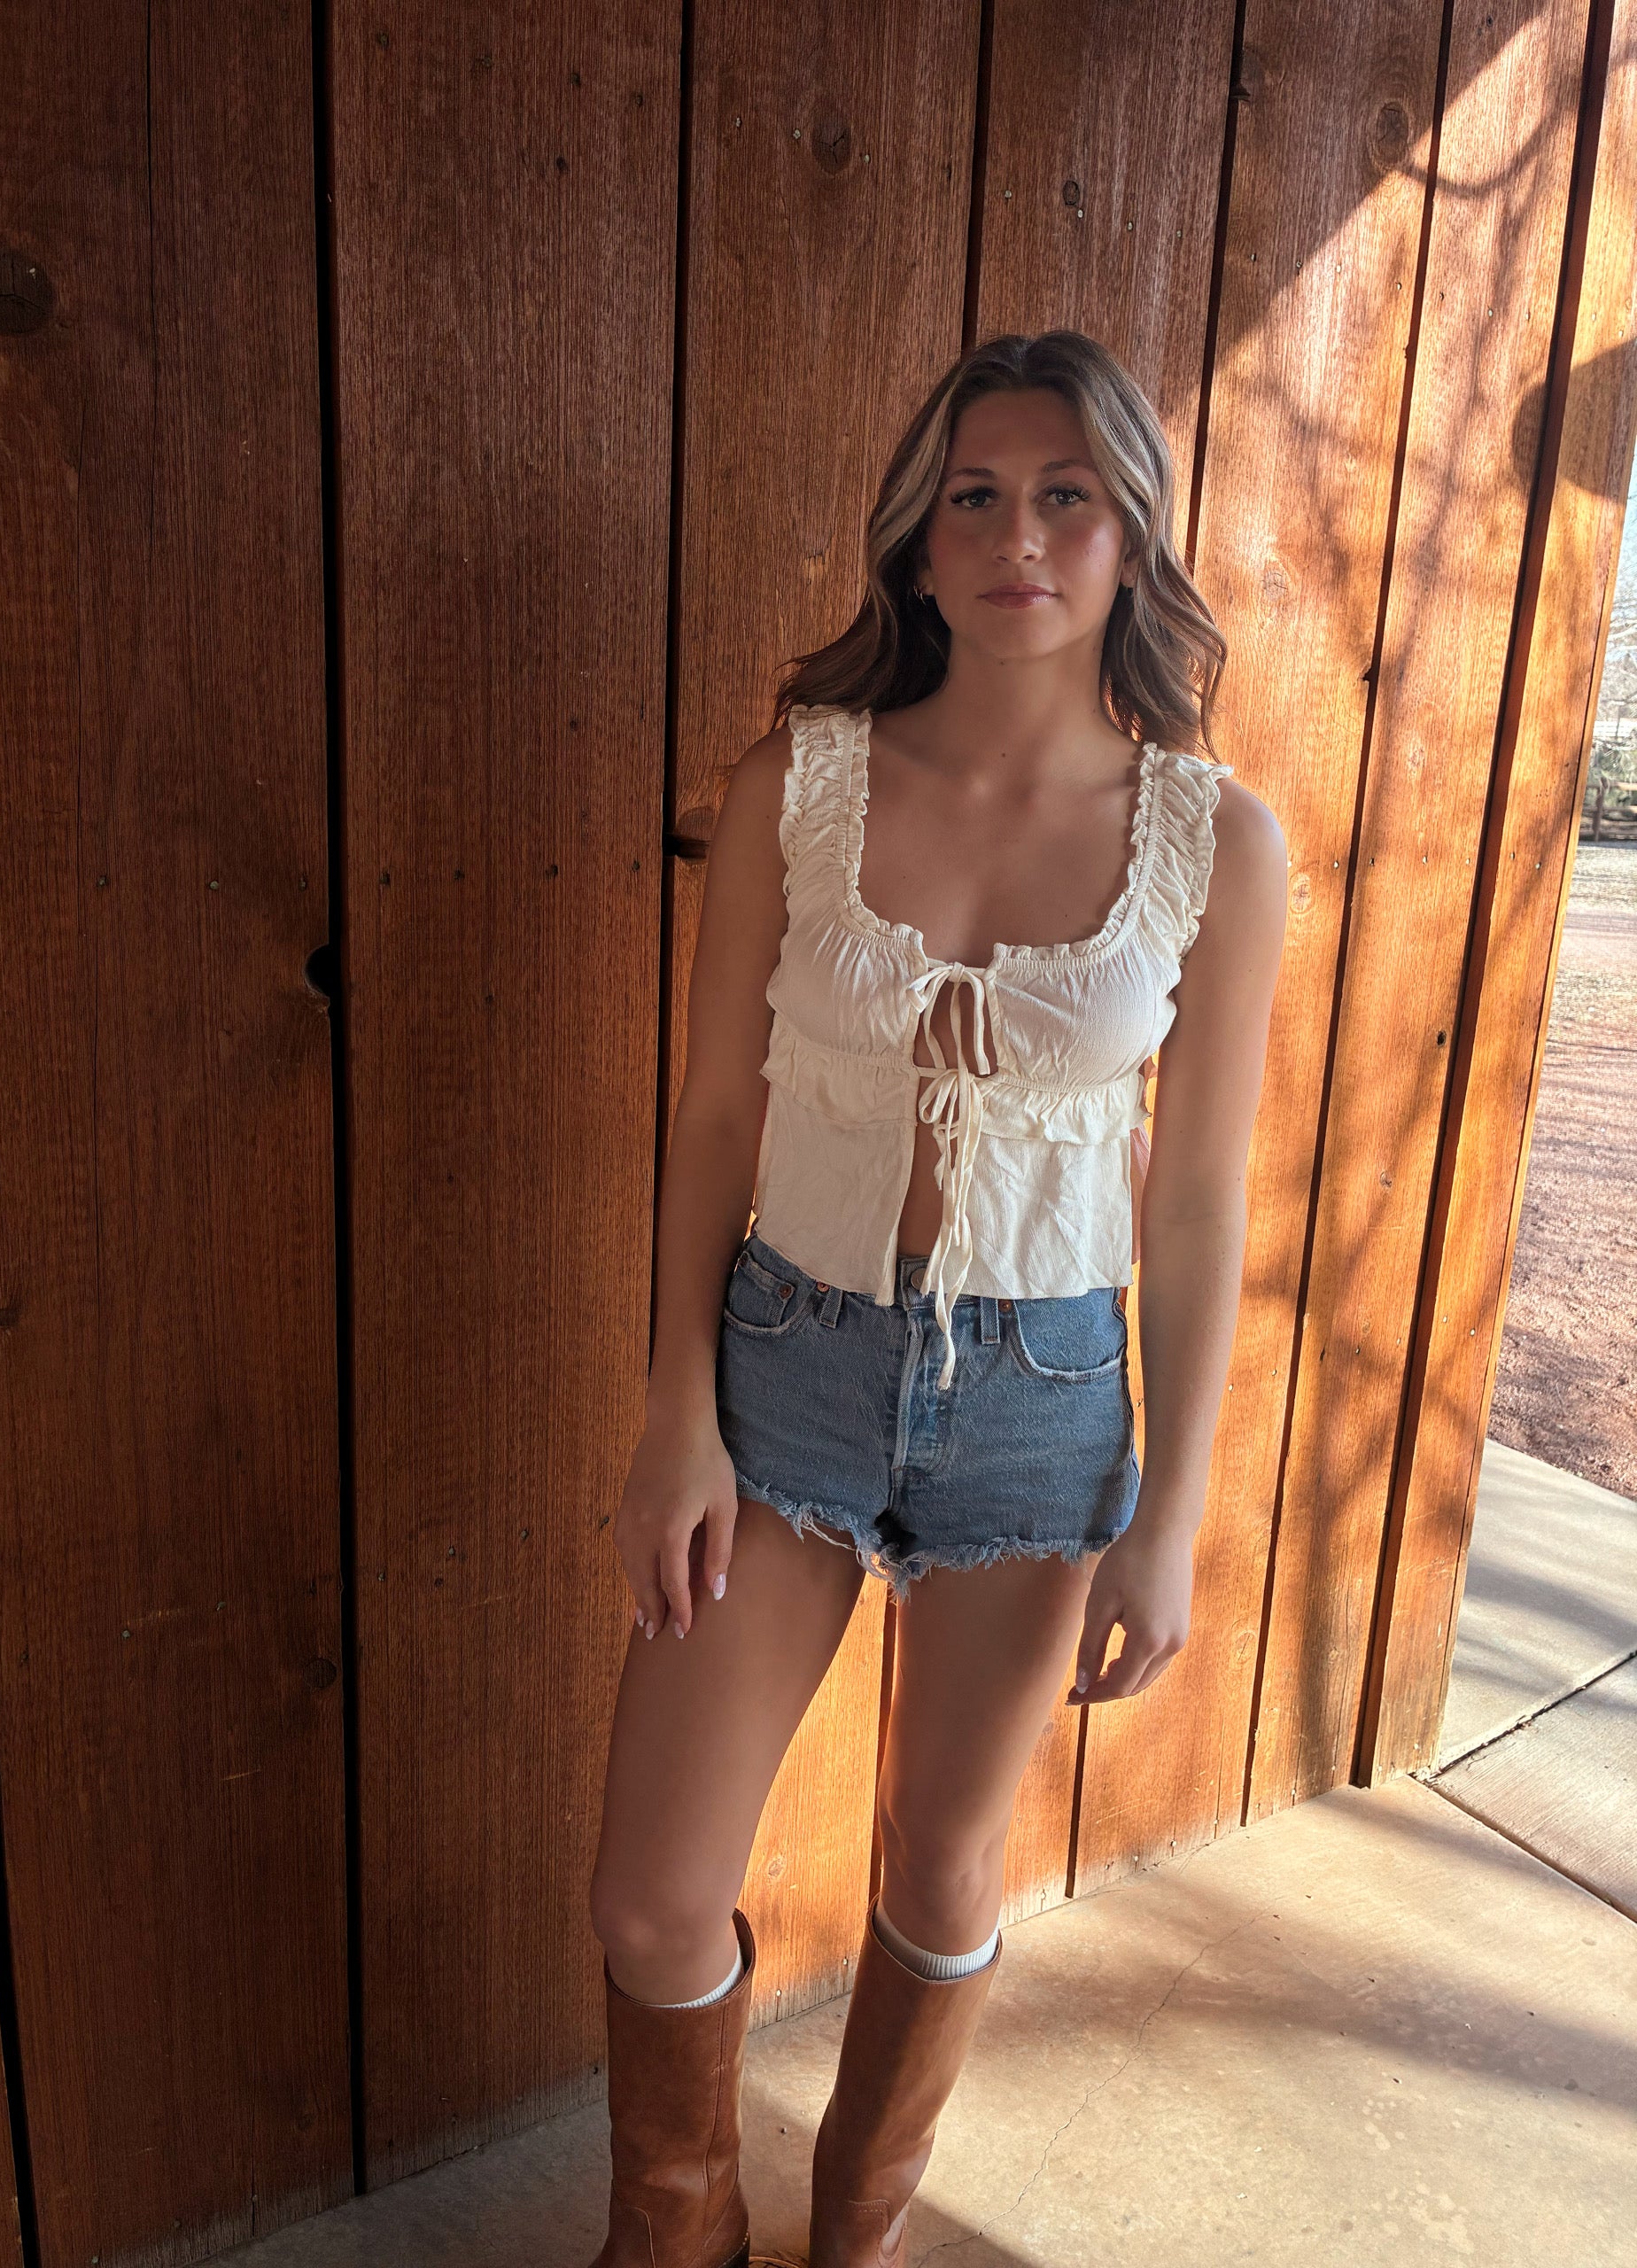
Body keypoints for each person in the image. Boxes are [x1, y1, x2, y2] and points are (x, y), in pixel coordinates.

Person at [585, 330, 1288, 2268]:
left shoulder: (1214, 841)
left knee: (946, 1862)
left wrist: (1169, 1516)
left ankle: (854, 2239)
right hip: (786, 1364)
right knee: (654, 1892)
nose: (1020, 533)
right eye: (974, 492)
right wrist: (676, 1413)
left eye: (1068, 493)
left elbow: (1206, 1193)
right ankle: (676, 2238)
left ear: (1136, 533)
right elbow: (718, 1104)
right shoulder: (796, 785)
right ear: (916, 536)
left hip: (1048, 1397)